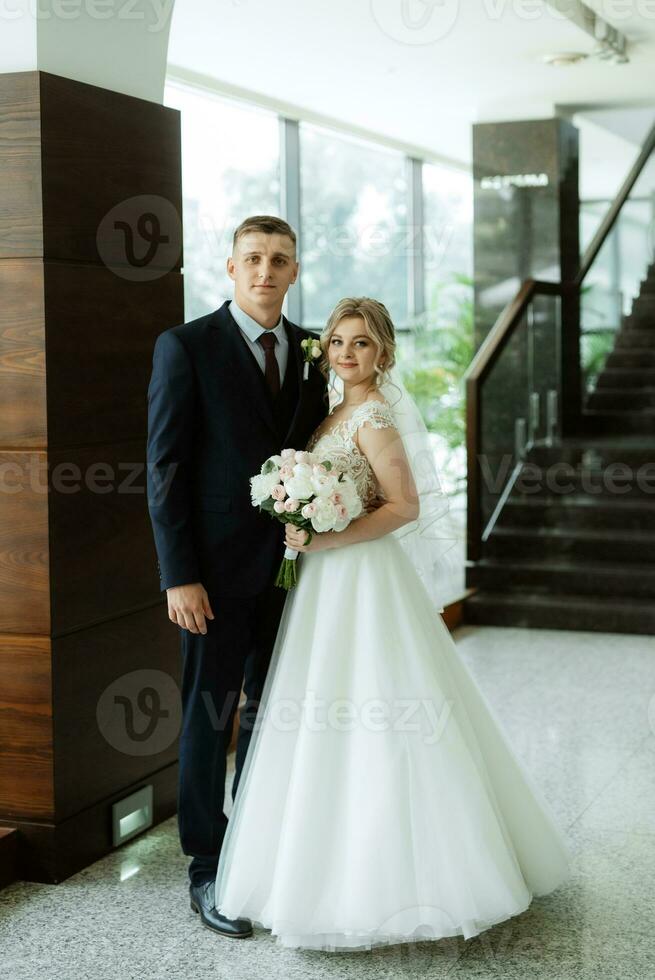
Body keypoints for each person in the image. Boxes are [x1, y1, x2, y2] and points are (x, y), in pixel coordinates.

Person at [213, 297, 572, 951]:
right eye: (339, 343)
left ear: (383, 353)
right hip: (324, 581)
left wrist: (327, 535)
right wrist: (302, 518)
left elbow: (404, 506)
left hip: (361, 576)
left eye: (362, 344)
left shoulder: (373, 416)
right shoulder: (332, 412)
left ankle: (409, 877)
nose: (349, 354)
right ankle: (309, 869)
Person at [146, 216, 328, 938]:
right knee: (207, 716)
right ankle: (205, 866)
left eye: (278, 259)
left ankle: (257, 846)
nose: (265, 271)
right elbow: (164, 470)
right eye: (252, 258)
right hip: (211, 577)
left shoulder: (316, 350)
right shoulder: (185, 346)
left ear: (293, 271)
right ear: (229, 267)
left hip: (291, 572)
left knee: (269, 712)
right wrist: (178, 575)